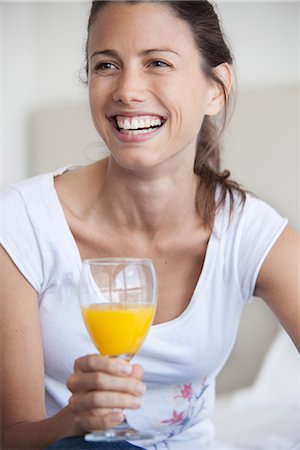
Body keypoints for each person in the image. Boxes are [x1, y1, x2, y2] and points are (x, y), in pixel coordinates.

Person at [1, 1, 299, 449]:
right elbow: (11, 437)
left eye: (157, 62)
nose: (127, 90)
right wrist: (71, 421)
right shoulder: (22, 223)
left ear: (216, 89)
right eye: (106, 65)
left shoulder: (246, 232)